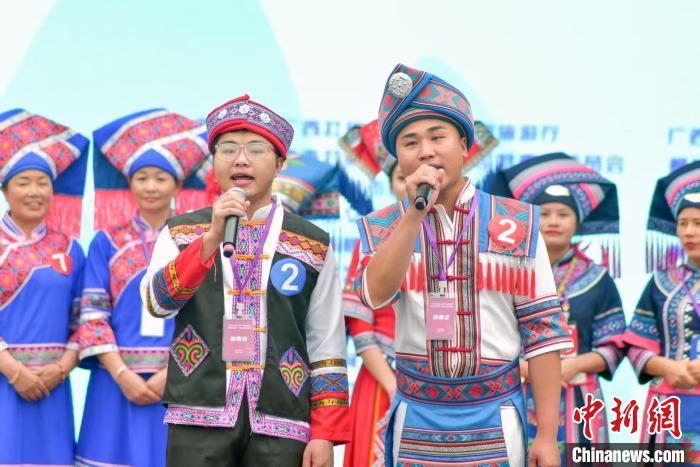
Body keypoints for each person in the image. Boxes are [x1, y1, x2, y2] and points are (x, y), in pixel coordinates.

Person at [354, 64, 573, 466]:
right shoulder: (385, 226)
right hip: (416, 416)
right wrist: (413, 215)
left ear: (464, 146)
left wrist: (546, 434)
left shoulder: (517, 223)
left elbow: (542, 332)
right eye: (410, 142)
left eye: (437, 137)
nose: (425, 151)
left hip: (496, 414)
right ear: (398, 156)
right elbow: (374, 296)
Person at [140, 94, 350, 467]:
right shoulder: (181, 232)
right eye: (228, 149)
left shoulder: (313, 243)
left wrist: (325, 432)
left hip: (283, 417)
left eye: (256, 149)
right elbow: (157, 303)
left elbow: (326, 340)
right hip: (198, 413)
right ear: (213, 162)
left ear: (280, 162)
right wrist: (209, 240)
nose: (240, 159)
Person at [75, 109, 210, 466]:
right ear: (129, 184)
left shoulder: (197, 243)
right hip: (114, 384)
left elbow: (207, 318)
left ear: (178, 186)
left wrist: (172, 374)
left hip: (180, 383)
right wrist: (122, 373)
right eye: (142, 178)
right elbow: (92, 315)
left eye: (160, 178)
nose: (151, 187)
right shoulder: (106, 242)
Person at [488, 153, 627, 461]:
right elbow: (488, 331)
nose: (553, 221)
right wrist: (520, 366)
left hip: (580, 397)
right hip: (517, 390)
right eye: (545, 213)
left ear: (578, 221)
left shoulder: (597, 278)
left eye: (563, 214)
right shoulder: (506, 273)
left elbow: (615, 344)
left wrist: (572, 366)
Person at [0, 109, 88, 465]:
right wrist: (14, 371)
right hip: (4, 382)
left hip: (53, 387)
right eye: (24, 183)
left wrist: (62, 368)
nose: (34, 192)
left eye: (43, 183)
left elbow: (86, 319)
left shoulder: (70, 248)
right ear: (5, 190)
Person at [340, 120, 409, 466]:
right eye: (403, 177)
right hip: (382, 379)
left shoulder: (459, 237)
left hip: (442, 384)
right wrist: (393, 385)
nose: (412, 184)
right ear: (392, 184)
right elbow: (359, 324)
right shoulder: (373, 236)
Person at [624, 160, 700, 464]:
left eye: (698, 223)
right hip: (669, 402)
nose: (689, 232)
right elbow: (635, 345)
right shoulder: (662, 282)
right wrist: (667, 367)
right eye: (683, 223)